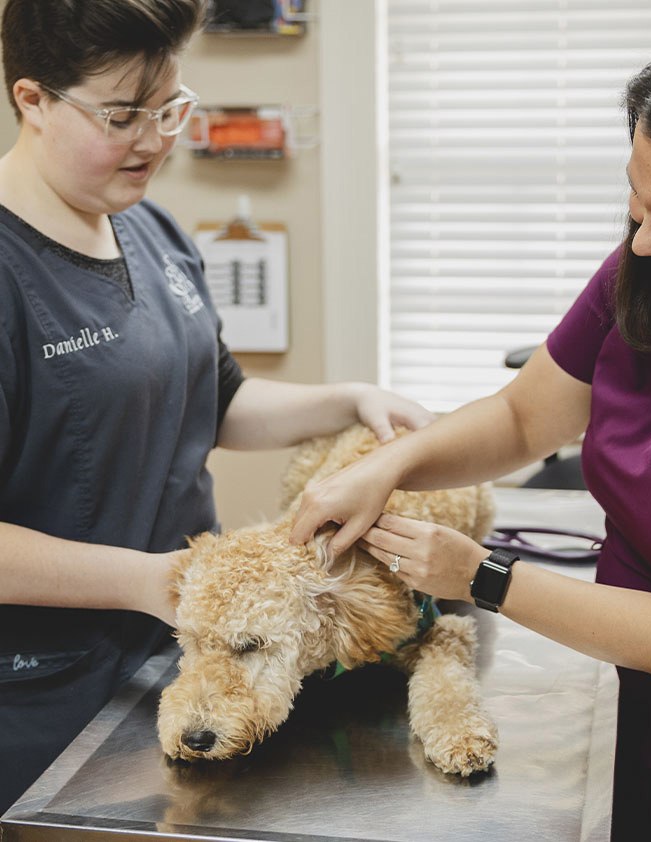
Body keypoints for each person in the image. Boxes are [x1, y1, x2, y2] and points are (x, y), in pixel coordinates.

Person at [291, 13, 651, 842]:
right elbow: (520, 415)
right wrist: (385, 467)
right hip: (627, 713)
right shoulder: (649, 281)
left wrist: (483, 577)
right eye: (638, 204)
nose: (648, 241)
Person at [0, 0, 433, 814]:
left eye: (171, 106)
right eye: (124, 115)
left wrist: (348, 399)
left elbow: (215, 399)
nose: (157, 139)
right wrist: (158, 581)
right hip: (42, 698)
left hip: (178, 656)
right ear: (33, 99)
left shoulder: (151, 227)